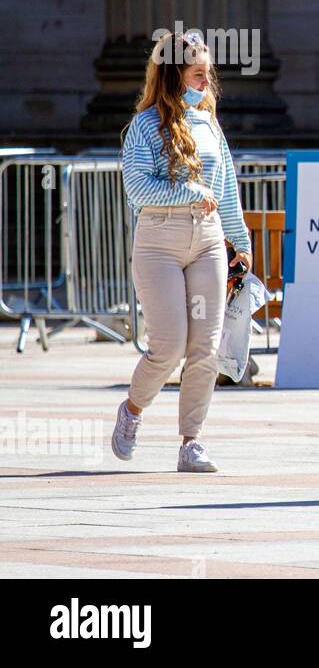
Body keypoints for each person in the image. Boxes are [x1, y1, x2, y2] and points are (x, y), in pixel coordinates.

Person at [112, 30, 252, 473]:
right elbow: (137, 187)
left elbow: (226, 188)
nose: (206, 82)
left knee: (206, 347)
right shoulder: (146, 124)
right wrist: (189, 192)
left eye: (208, 74)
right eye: (197, 74)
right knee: (168, 347)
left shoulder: (209, 124)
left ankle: (191, 441)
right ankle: (133, 410)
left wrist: (241, 242)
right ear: (173, 75)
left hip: (207, 240)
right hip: (159, 241)